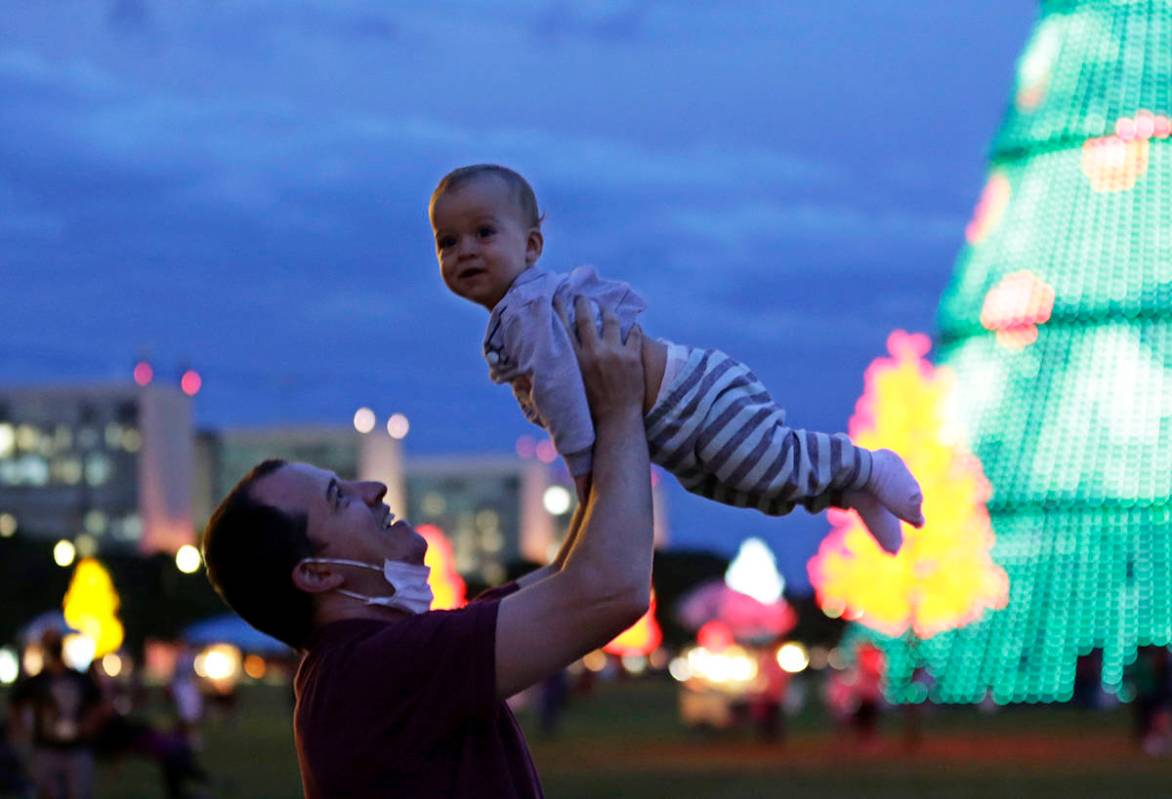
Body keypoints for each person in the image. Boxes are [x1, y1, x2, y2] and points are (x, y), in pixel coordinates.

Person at [201, 301, 653, 797]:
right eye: (339, 497)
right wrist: (622, 408)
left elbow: (571, 572)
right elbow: (612, 589)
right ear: (318, 573)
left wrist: (578, 424)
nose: (371, 488)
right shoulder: (371, 674)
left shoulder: (385, 661)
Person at [429, 164, 925, 554]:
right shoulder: (516, 312)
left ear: (532, 245)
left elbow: (558, 385)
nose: (465, 251)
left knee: (763, 465)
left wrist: (580, 465)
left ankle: (868, 466)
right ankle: (846, 492)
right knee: (743, 489)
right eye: (448, 242)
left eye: (484, 233)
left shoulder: (528, 308)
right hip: (669, 425)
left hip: (693, 399)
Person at [8, 629, 109, 799]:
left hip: (77, 748)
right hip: (46, 748)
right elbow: (15, 703)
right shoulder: (38, 681)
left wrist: (89, 725)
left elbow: (99, 705)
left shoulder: (79, 679)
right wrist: (22, 728)